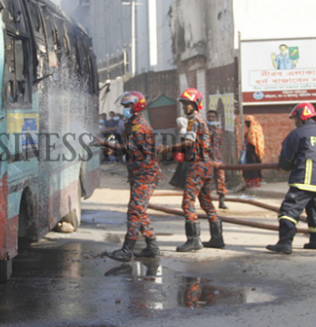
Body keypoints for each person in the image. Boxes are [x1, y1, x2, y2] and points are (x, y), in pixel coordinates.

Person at [94, 91, 162, 261]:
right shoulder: (129, 124)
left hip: (146, 175)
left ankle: (126, 250)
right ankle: (152, 246)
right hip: (137, 173)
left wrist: (105, 143)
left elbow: (130, 148)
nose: (124, 109)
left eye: (127, 106)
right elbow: (125, 148)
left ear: (136, 106)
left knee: (134, 212)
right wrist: (112, 149)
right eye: (123, 106)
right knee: (140, 212)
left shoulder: (139, 125)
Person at [266, 102, 316, 254]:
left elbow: (286, 158)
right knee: (313, 210)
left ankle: (285, 243)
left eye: (294, 119)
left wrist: (284, 168)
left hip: (303, 179)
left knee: (288, 211)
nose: (294, 122)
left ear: (301, 118)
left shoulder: (297, 134)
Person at [157, 88, 224, 251]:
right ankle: (217, 238)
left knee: (187, 203)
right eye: (184, 104)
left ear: (196, 104)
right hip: (205, 165)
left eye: (188, 104)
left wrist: (168, 148)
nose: (185, 107)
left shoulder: (194, 120)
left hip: (198, 165)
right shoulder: (199, 120)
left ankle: (193, 239)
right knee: (206, 202)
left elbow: (189, 143)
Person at [206, 109, 229, 209]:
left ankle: (221, 201)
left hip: (218, 158)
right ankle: (207, 202)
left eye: (213, 117)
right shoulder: (204, 129)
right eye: (209, 117)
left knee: (221, 179)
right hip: (207, 159)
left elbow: (220, 143)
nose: (211, 119)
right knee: (207, 180)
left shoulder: (219, 130)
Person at [242, 115, 265, 188]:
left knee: (254, 167)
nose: (247, 124)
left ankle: (255, 183)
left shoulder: (255, 129)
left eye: (248, 122)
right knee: (248, 167)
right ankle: (249, 183)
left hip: (255, 151)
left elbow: (255, 141)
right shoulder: (249, 130)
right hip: (249, 151)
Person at [169, 117, 190, 189]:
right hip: (186, 152)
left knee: (182, 168)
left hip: (185, 152)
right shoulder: (186, 129)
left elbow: (183, 142)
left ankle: (180, 184)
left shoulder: (183, 131)